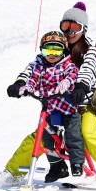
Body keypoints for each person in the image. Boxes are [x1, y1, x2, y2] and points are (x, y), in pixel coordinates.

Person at [0, 2, 96, 191]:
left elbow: (88, 69)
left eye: (75, 27)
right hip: (61, 103)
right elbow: (34, 67)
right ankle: (13, 172)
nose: (70, 32)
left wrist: (81, 85)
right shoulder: (56, 46)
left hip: (86, 103)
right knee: (39, 135)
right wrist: (20, 82)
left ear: (84, 29)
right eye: (66, 26)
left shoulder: (89, 48)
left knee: (87, 132)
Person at [18, 30, 85, 178]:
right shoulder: (40, 66)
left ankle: (77, 163)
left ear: (64, 50)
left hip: (68, 109)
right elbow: (33, 79)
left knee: (73, 135)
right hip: (49, 109)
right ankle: (56, 166)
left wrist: (66, 83)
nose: (52, 54)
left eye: (57, 50)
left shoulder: (68, 64)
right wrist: (27, 88)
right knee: (46, 138)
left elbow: (73, 74)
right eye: (48, 49)